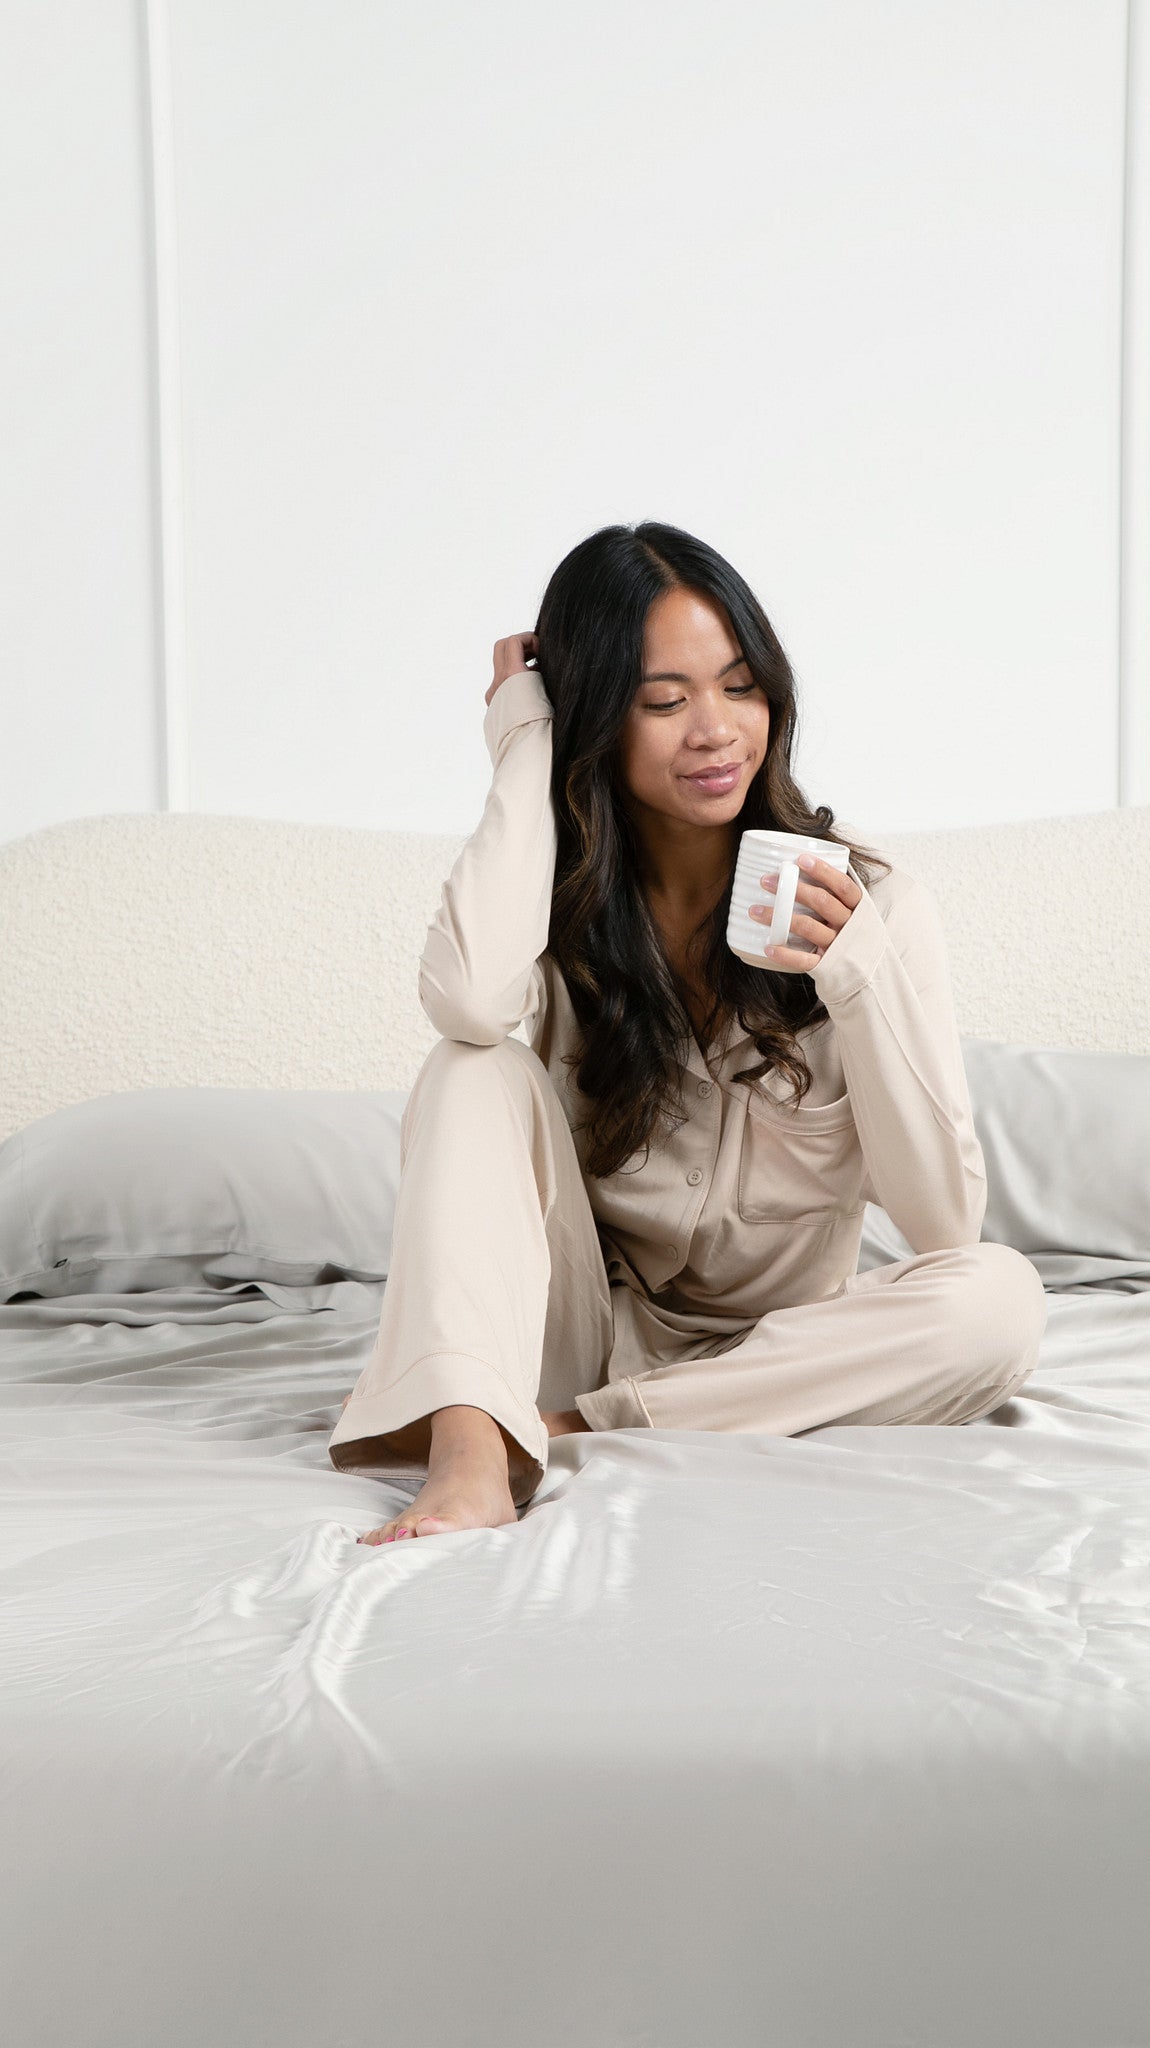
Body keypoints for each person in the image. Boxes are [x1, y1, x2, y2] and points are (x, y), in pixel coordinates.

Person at [332, 520, 1048, 1545]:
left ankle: (563, 1432)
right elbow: (469, 1003)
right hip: (578, 1332)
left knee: (1000, 1298)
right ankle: (470, 1455)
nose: (715, 730)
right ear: (595, 717)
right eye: (664, 701)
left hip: (783, 1356)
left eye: (740, 686)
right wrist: (524, 743)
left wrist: (857, 975)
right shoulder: (553, 900)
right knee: (468, 1070)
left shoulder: (873, 901)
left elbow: (942, 1223)